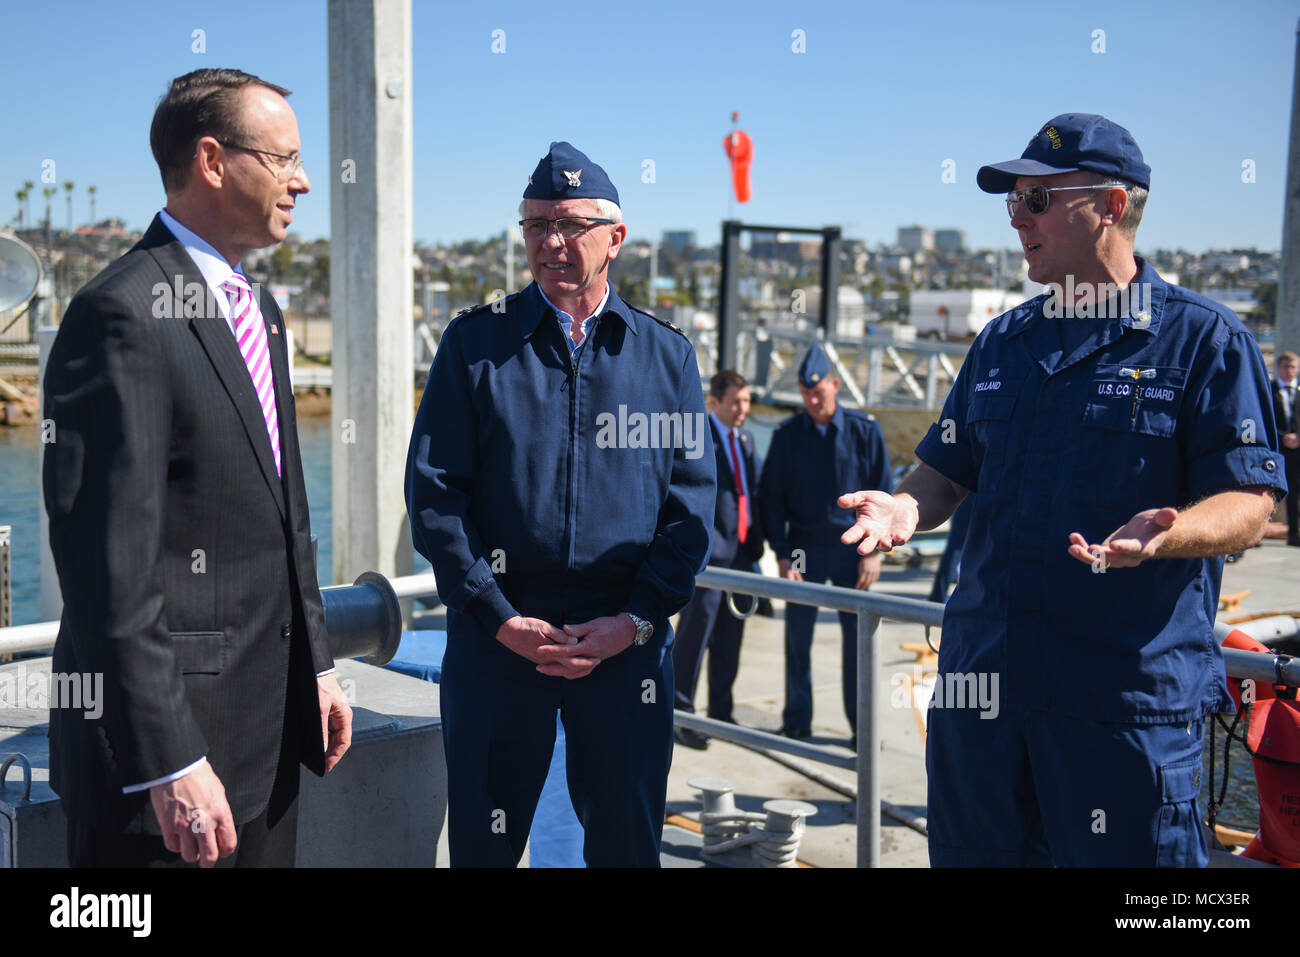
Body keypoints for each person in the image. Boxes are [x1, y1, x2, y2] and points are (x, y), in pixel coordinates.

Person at [840, 113, 1286, 866]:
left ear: (1113, 205)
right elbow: (948, 468)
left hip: (1121, 714)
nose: (1016, 218)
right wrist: (906, 505)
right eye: (1011, 201)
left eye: (1038, 200)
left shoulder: (1206, 341)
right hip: (983, 704)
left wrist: (1168, 535)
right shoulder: (1002, 342)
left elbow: (1250, 501)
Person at [42, 69, 352, 868]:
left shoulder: (263, 313)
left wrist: (315, 663)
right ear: (213, 161)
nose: (303, 181)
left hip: (271, 745)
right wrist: (171, 760)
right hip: (169, 784)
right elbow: (109, 568)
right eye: (283, 160)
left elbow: (290, 515)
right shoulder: (121, 313)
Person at [405, 141, 713, 867]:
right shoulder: (475, 345)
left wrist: (636, 619)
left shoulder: (666, 359)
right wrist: (496, 612)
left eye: (571, 224)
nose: (550, 241)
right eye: (535, 223)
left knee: (626, 845)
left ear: (616, 238)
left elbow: (690, 509)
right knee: (485, 847)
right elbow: (434, 493)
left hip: (624, 649)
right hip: (498, 641)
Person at [759, 341, 891, 742]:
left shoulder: (864, 432)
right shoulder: (787, 436)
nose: (813, 400)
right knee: (798, 640)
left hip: (855, 550)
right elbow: (771, 498)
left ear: (835, 385)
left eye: (819, 392)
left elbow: (883, 495)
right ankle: (797, 720)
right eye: (806, 394)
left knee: (859, 644)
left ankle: (861, 729)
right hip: (804, 549)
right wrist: (782, 555)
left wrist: (878, 554)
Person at [671, 369, 764, 750]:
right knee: (695, 637)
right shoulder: (698, 438)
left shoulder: (745, 439)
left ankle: (721, 713)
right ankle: (682, 716)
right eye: (736, 402)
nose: (743, 409)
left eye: (747, 401)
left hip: (741, 556)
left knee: (730, 638)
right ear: (714, 403)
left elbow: (754, 494)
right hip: (709, 560)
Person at [1273, 351, 1300, 545]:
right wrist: (1283, 437)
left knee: (1296, 491)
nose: (1289, 371)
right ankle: (1258, 530)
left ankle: (1294, 533)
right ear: (1279, 368)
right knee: (1269, 489)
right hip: (1276, 447)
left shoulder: (1298, 391)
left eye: (1293, 367)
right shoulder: (1270, 389)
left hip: (1297, 448)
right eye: (1286, 367)